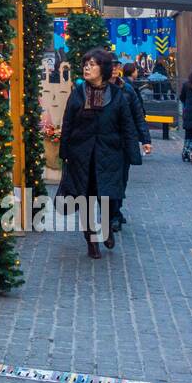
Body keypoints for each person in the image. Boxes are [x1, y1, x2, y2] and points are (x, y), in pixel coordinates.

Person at [56, 49, 137, 259]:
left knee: (109, 198)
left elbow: (126, 125)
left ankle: (107, 227)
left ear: (103, 68)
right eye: (85, 64)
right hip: (81, 156)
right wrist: (64, 151)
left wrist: (133, 152)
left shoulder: (117, 95)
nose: (87, 67)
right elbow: (68, 123)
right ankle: (91, 240)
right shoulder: (78, 93)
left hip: (109, 155)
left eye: (92, 64)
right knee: (86, 199)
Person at [115, 63, 152, 229]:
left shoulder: (127, 89)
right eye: (111, 66)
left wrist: (146, 140)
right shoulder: (99, 90)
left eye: (117, 66)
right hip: (106, 142)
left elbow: (138, 115)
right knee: (108, 179)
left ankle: (116, 209)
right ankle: (113, 214)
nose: (114, 69)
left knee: (122, 177)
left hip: (124, 141)